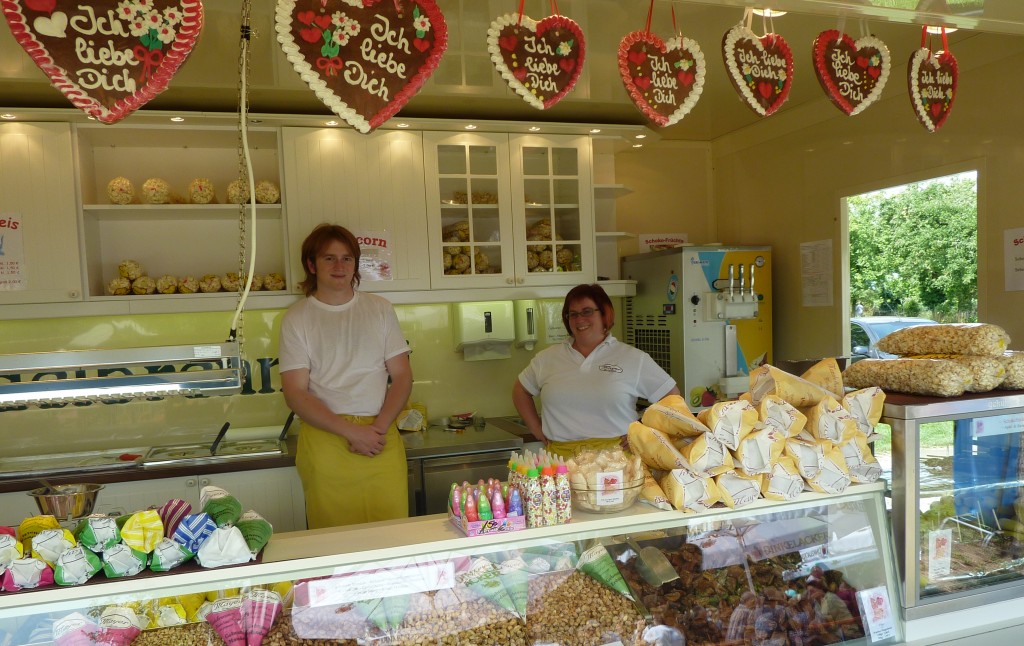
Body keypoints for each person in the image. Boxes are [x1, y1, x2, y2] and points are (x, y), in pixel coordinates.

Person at [279, 223, 412, 529]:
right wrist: (351, 432)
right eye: (329, 258)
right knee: (334, 542)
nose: (339, 266)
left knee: (391, 538)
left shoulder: (379, 309)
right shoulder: (298, 318)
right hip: (328, 443)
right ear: (311, 265)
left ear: (355, 263)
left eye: (346, 258)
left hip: (380, 438)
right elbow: (295, 393)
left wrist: (376, 429)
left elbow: (403, 376)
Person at [512, 283, 679, 458]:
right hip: (561, 464)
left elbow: (672, 399)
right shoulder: (547, 358)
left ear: (605, 313)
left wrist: (645, 430)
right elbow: (520, 390)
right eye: (573, 314)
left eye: (587, 311)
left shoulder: (633, 358)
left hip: (617, 462)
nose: (579, 319)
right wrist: (537, 430)